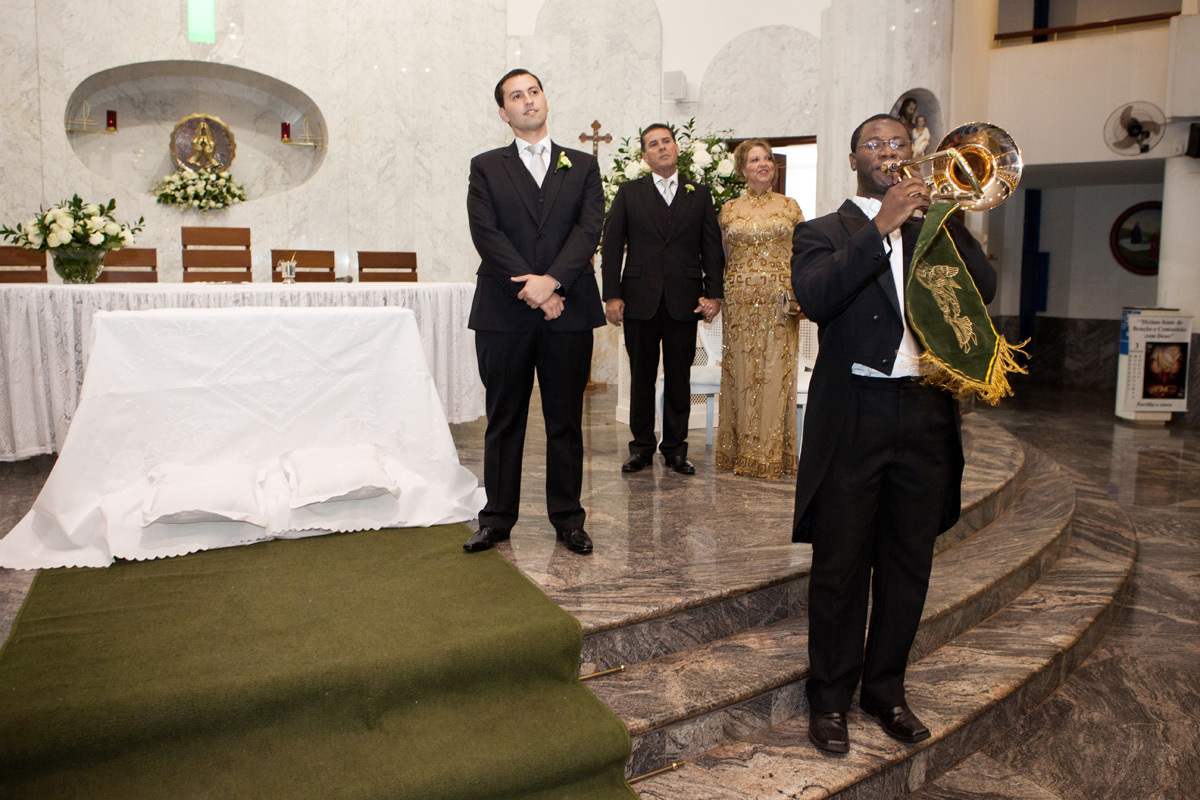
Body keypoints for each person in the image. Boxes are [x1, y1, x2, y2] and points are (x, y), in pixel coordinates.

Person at [790, 114, 996, 754]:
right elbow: (818, 297)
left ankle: (886, 691)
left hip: (927, 411)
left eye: (899, 145)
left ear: (916, 155)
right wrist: (881, 228)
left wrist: (947, 226)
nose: (888, 153)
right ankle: (828, 698)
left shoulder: (940, 229)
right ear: (854, 159)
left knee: (909, 564)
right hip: (855, 411)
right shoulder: (822, 232)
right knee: (841, 565)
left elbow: (985, 292)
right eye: (875, 145)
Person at [463, 68, 604, 556]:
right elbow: (486, 234)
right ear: (504, 113)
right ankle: (496, 519)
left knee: (565, 419)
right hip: (504, 311)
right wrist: (534, 289)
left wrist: (553, 282)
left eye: (534, 91)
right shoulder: (486, 166)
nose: (528, 101)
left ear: (545, 99)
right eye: (516, 97)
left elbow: (589, 231)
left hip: (569, 310)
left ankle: (567, 519)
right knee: (505, 418)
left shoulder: (583, 166)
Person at [600, 123, 724, 475]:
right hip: (638, 300)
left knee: (679, 378)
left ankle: (674, 449)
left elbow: (711, 247)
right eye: (653, 144)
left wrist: (713, 293)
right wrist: (612, 294)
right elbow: (611, 247)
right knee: (641, 376)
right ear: (645, 156)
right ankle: (640, 448)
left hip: (684, 301)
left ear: (676, 148)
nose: (661, 147)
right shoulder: (629, 192)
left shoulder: (698, 194)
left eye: (666, 141)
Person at [714, 139, 805, 479]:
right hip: (739, 301)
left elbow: (802, 254)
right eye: (755, 159)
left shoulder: (790, 206)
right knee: (739, 369)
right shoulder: (729, 210)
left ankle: (771, 454)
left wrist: (800, 294)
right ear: (742, 169)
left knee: (775, 371)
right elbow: (722, 256)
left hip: (781, 301)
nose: (763, 164)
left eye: (767, 158)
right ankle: (738, 451)